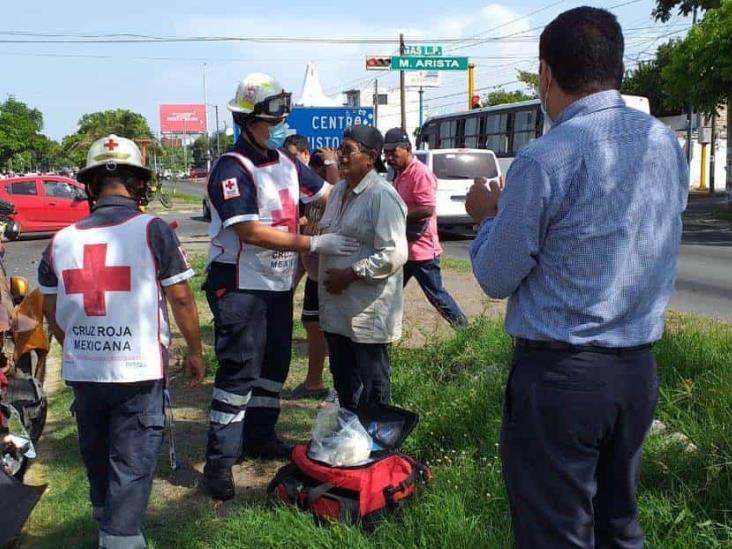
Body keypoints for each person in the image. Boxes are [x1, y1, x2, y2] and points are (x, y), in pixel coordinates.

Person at [465, 7, 688, 548]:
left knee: (554, 534)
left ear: (546, 75)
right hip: (636, 372)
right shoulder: (665, 145)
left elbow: (496, 276)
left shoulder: (545, 159)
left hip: (562, 378)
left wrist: (487, 216)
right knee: (618, 525)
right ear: (617, 66)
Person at [38, 135, 204, 549]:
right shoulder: (153, 229)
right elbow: (181, 297)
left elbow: (50, 309)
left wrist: (77, 343)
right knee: (132, 457)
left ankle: (105, 518)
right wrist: (197, 351)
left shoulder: (60, 240)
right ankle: (120, 536)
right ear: (138, 184)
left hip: (84, 370)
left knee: (95, 447)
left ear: (91, 187)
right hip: (139, 368)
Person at [202, 73, 357, 500]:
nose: (278, 129)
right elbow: (250, 231)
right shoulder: (232, 168)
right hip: (239, 286)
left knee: (274, 367)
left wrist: (354, 190)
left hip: (276, 284)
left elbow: (325, 192)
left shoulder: (287, 164)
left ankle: (260, 437)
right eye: (271, 122)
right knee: (238, 372)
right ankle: (219, 464)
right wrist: (312, 241)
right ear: (248, 120)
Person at [318, 125, 407, 411]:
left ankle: (378, 449)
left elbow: (394, 252)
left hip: (366, 313)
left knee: (373, 387)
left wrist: (351, 273)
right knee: (345, 385)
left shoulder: (381, 195)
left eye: (347, 151)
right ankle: (350, 445)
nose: (340, 157)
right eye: (340, 150)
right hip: (338, 313)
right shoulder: (338, 191)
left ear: (369, 157)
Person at [384, 127, 467, 329]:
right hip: (403, 248)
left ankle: (466, 331)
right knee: (387, 293)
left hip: (422, 251)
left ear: (407, 149)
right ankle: (382, 334)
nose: (390, 158)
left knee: (437, 296)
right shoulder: (397, 173)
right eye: (386, 154)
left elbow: (427, 209)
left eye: (394, 153)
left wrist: (397, 218)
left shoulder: (420, 174)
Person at [285, 146, 341, 400]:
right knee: (312, 324)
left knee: (335, 330)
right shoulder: (306, 195)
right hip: (314, 271)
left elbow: (337, 192)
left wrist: (331, 164)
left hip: (329, 271)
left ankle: (338, 388)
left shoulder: (335, 191)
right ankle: (314, 381)